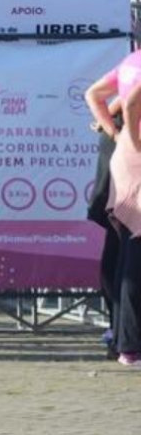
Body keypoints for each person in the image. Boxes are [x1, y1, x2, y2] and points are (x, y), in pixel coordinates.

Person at [85, 67, 141, 366]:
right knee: (130, 255)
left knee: (121, 254)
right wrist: (125, 137)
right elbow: (128, 102)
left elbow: (107, 98)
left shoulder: (133, 62)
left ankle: (120, 338)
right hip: (130, 166)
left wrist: (115, 132)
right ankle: (126, 342)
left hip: (121, 164)